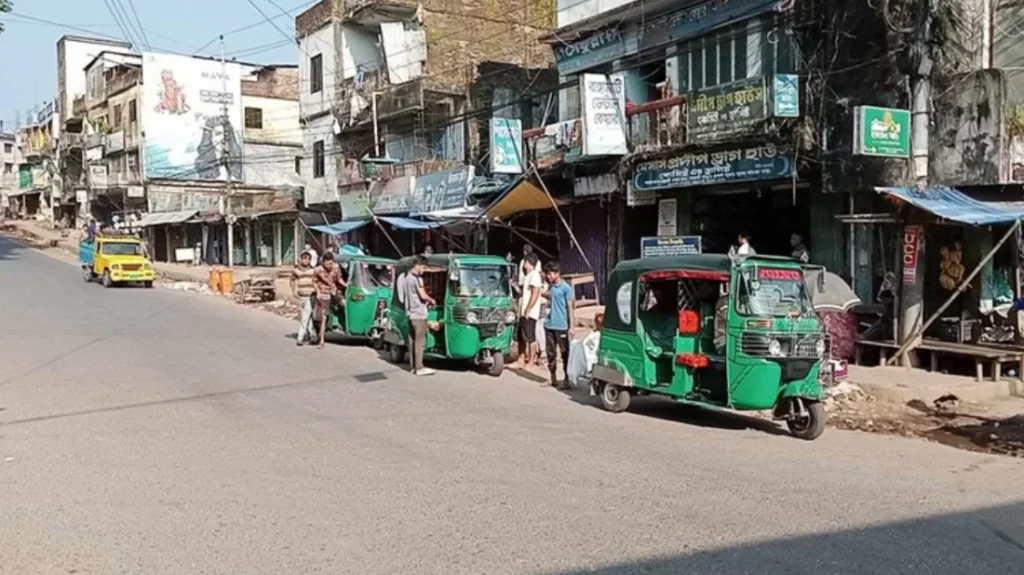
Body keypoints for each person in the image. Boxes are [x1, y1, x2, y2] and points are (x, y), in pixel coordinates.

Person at [542, 261, 574, 389]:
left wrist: (572, 326)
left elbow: (570, 308)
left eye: (550, 274)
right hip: (549, 324)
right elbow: (550, 299)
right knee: (551, 353)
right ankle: (553, 378)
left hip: (562, 325)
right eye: (547, 274)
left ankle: (566, 379)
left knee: (564, 353)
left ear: (557, 273)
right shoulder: (551, 287)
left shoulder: (566, 288)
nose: (548, 276)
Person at [404, 255, 437, 376]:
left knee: (412, 341)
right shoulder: (417, 279)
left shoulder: (407, 278)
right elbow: (423, 296)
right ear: (417, 265)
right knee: (420, 341)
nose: (423, 270)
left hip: (410, 313)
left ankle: (413, 367)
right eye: (423, 267)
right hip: (419, 314)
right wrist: (431, 300)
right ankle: (419, 367)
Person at [313, 252, 347, 349]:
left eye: (331, 263)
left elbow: (339, 278)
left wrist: (345, 285)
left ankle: (341, 324)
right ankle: (322, 340)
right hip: (323, 293)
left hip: (333, 291)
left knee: (345, 303)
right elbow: (314, 282)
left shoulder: (336, 267)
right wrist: (318, 291)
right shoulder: (318, 270)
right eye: (328, 264)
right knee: (323, 317)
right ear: (323, 262)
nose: (329, 266)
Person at [518, 253, 543, 368]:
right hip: (523, 311)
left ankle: (531, 361)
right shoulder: (527, 276)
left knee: (530, 337)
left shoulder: (534, 275)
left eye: (525, 263)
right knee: (522, 336)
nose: (524, 265)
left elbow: (535, 292)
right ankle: (521, 359)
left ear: (529, 263)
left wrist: (528, 309)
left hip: (530, 313)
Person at [290, 251, 317, 346]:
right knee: (305, 317)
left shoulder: (314, 270)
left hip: (312, 296)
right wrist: (293, 291)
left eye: (308, 259)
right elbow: (292, 280)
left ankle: (309, 336)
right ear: (301, 259)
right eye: (304, 258)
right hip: (302, 297)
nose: (306, 260)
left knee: (309, 317)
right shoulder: (296, 270)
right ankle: (301, 337)